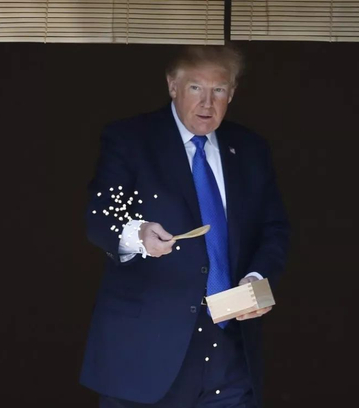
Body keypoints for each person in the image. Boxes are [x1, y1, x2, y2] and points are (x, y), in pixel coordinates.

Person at [79, 45, 290, 408]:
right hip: (146, 353)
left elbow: (274, 229)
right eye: (195, 88)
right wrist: (138, 235)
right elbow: (100, 216)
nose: (207, 103)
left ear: (232, 93)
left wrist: (256, 277)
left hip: (230, 352)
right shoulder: (131, 139)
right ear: (172, 85)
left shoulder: (250, 148)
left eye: (218, 90)